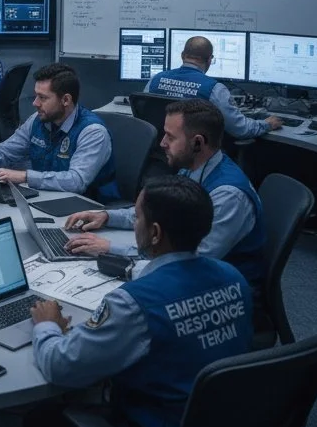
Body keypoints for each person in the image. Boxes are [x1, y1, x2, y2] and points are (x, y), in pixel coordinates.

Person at [25, 176, 254, 427]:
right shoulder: (234, 278)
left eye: (137, 219)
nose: (134, 225)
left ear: (155, 233)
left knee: (43, 421)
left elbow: (60, 367)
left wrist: (47, 327)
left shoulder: (134, 303)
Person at [64, 99, 266, 302]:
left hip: (224, 295)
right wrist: (106, 217)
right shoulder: (193, 168)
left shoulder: (228, 195)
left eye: (170, 136)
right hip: (193, 277)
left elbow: (189, 262)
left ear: (198, 142)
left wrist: (111, 250)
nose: (162, 143)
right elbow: (158, 210)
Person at [0, 62, 120, 199]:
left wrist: (24, 177)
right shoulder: (38, 119)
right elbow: (4, 151)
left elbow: (76, 181)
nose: (35, 103)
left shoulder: (92, 132)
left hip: (90, 208)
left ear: (66, 100)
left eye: (42, 98)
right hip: (47, 197)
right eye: (36, 95)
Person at [147, 34, 282, 139]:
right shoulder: (214, 89)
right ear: (210, 59)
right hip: (194, 157)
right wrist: (267, 124)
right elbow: (240, 129)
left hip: (161, 148)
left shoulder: (155, 79)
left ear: (182, 56)